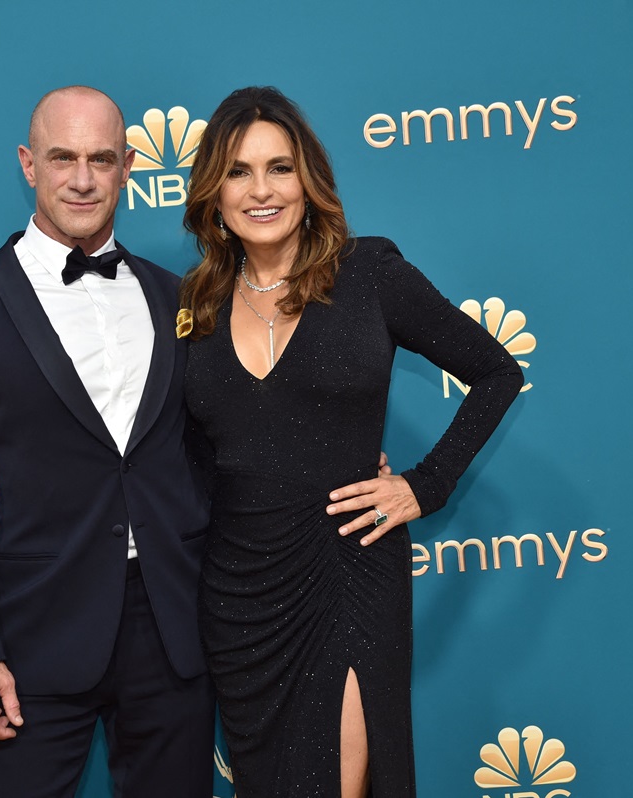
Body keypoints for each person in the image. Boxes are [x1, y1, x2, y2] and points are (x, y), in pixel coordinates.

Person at [179, 86, 524, 798]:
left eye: (279, 167)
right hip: (239, 598)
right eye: (239, 171)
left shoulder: (370, 273)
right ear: (214, 192)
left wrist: (422, 486)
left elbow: (496, 371)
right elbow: (191, 461)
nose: (261, 190)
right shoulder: (194, 307)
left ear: (309, 180)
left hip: (348, 572)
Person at [0, 86, 214, 798]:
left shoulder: (184, 300)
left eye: (101, 159)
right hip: (32, 637)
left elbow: (224, 451)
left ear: (129, 166)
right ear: (28, 164)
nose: (83, 179)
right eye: (63, 158)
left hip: (172, 626)